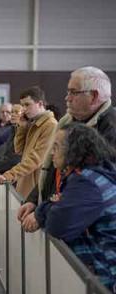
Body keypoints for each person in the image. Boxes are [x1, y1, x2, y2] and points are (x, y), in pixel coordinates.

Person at [21, 123, 116, 292]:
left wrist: (41, 212)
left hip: (105, 278)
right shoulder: (91, 174)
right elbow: (59, 205)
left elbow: (57, 225)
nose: (51, 153)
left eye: (56, 147)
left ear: (74, 150)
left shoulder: (87, 182)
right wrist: (52, 206)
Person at [18, 66, 116, 222]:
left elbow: (88, 187)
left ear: (94, 96)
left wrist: (41, 213)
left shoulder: (111, 129)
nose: (67, 98)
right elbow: (50, 168)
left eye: (73, 92)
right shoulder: (68, 122)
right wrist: (33, 200)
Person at [0, 87, 57, 198]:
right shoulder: (33, 123)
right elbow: (19, 150)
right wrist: (22, 127)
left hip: (36, 185)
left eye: (27, 105)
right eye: (22, 105)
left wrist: (10, 175)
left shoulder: (50, 125)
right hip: (26, 180)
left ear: (40, 103)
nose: (24, 109)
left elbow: (36, 158)